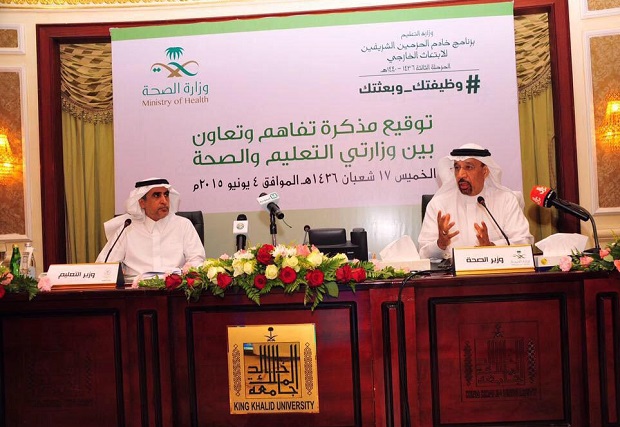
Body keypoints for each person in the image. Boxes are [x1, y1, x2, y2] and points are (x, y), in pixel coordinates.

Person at [418, 143, 533, 261]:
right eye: (457, 168)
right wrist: (440, 244)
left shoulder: (505, 200)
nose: (460, 174)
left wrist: (492, 246)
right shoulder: (439, 204)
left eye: (469, 167)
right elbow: (423, 252)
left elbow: (524, 242)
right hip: (453, 272)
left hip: (495, 271)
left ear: (485, 171)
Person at [96, 177, 205, 279]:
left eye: (166, 195)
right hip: (136, 289)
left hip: (174, 288)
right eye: (157, 195)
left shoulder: (183, 225)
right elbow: (105, 265)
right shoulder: (127, 227)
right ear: (142, 203)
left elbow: (197, 260)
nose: (164, 201)